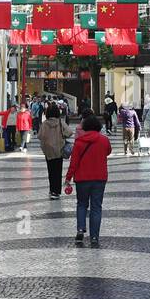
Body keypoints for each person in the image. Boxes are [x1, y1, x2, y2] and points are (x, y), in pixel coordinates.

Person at [65, 114, 112, 248]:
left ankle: (80, 229)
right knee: (96, 207)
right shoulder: (104, 140)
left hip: (82, 178)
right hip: (99, 178)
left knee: (81, 204)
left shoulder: (79, 142)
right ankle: (94, 237)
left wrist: (68, 178)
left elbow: (73, 163)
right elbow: (108, 152)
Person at [38, 102, 68, 199]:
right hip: (59, 149)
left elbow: (40, 136)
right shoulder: (60, 122)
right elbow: (69, 132)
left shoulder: (45, 124)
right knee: (58, 171)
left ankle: (52, 190)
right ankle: (57, 191)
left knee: (51, 171)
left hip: (48, 151)